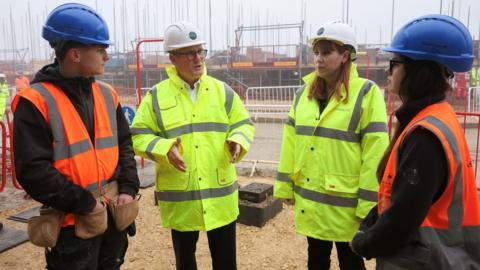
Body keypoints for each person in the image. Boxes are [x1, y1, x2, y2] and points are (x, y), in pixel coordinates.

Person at [12, 3, 140, 269]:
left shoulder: (107, 94)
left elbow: (125, 145)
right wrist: (85, 203)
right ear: (75, 54)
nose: (106, 56)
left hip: (113, 217)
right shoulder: (35, 101)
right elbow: (32, 170)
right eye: (100, 49)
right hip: (72, 228)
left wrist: (128, 188)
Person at [350, 15, 480, 270]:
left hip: (428, 259)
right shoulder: (435, 117)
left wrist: (363, 243)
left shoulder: (425, 136)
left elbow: (402, 219)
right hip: (444, 255)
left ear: (418, 71)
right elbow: (403, 197)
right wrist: (373, 220)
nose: (387, 71)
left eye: (394, 63)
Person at [131, 21, 255, 270]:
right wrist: (164, 147)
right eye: (191, 53)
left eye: (201, 51)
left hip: (219, 196)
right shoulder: (156, 96)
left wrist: (238, 141)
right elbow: (137, 135)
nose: (199, 58)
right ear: (173, 58)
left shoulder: (222, 91)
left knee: (226, 263)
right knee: (185, 263)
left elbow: (244, 124)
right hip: (181, 197)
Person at [273, 21, 389, 270]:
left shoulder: (366, 93)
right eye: (316, 53)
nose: (319, 59)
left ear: (345, 55)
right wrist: (284, 187)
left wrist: (368, 204)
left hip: (346, 205)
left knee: (351, 261)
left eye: (326, 52)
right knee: (316, 260)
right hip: (313, 200)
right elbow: (290, 143)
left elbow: (376, 153)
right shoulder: (303, 94)